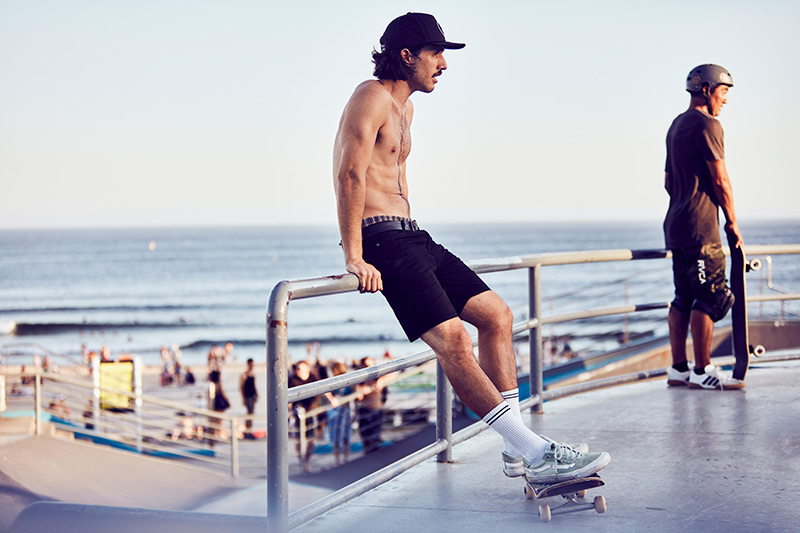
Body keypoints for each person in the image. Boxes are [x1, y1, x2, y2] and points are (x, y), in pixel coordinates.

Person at [332, 12, 610, 483]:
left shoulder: (406, 109)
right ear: (406, 56)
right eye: (435, 53)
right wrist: (355, 256)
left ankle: (517, 448)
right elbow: (350, 174)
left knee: (496, 316)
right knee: (453, 341)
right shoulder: (371, 96)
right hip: (381, 238)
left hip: (412, 234)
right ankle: (536, 452)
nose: (443, 64)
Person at [663, 64, 745, 391]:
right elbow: (721, 180)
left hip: (676, 226)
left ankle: (679, 369)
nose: (725, 100)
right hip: (701, 230)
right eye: (723, 92)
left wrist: (686, 201)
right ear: (708, 90)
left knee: (683, 296)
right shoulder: (709, 125)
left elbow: (668, 182)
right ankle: (701, 370)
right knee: (709, 296)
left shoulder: (676, 125)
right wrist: (732, 222)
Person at [355, 357, 386, 454]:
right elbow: (357, 392)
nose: (369, 367)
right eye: (366, 365)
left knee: (375, 437)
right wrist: (361, 390)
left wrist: (381, 381)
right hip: (364, 409)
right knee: (365, 436)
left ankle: (374, 455)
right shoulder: (359, 378)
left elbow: (394, 373)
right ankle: (368, 455)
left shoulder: (378, 376)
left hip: (376, 409)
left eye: (371, 365)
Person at [240, 358, 259, 439]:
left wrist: (257, 394)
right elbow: (241, 387)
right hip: (247, 396)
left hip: (252, 395)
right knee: (249, 413)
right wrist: (243, 398)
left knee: (252, 413)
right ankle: (247, 431)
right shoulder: (244, 374)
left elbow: (254, 385)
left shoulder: (252, 374)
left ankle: (249, 430)